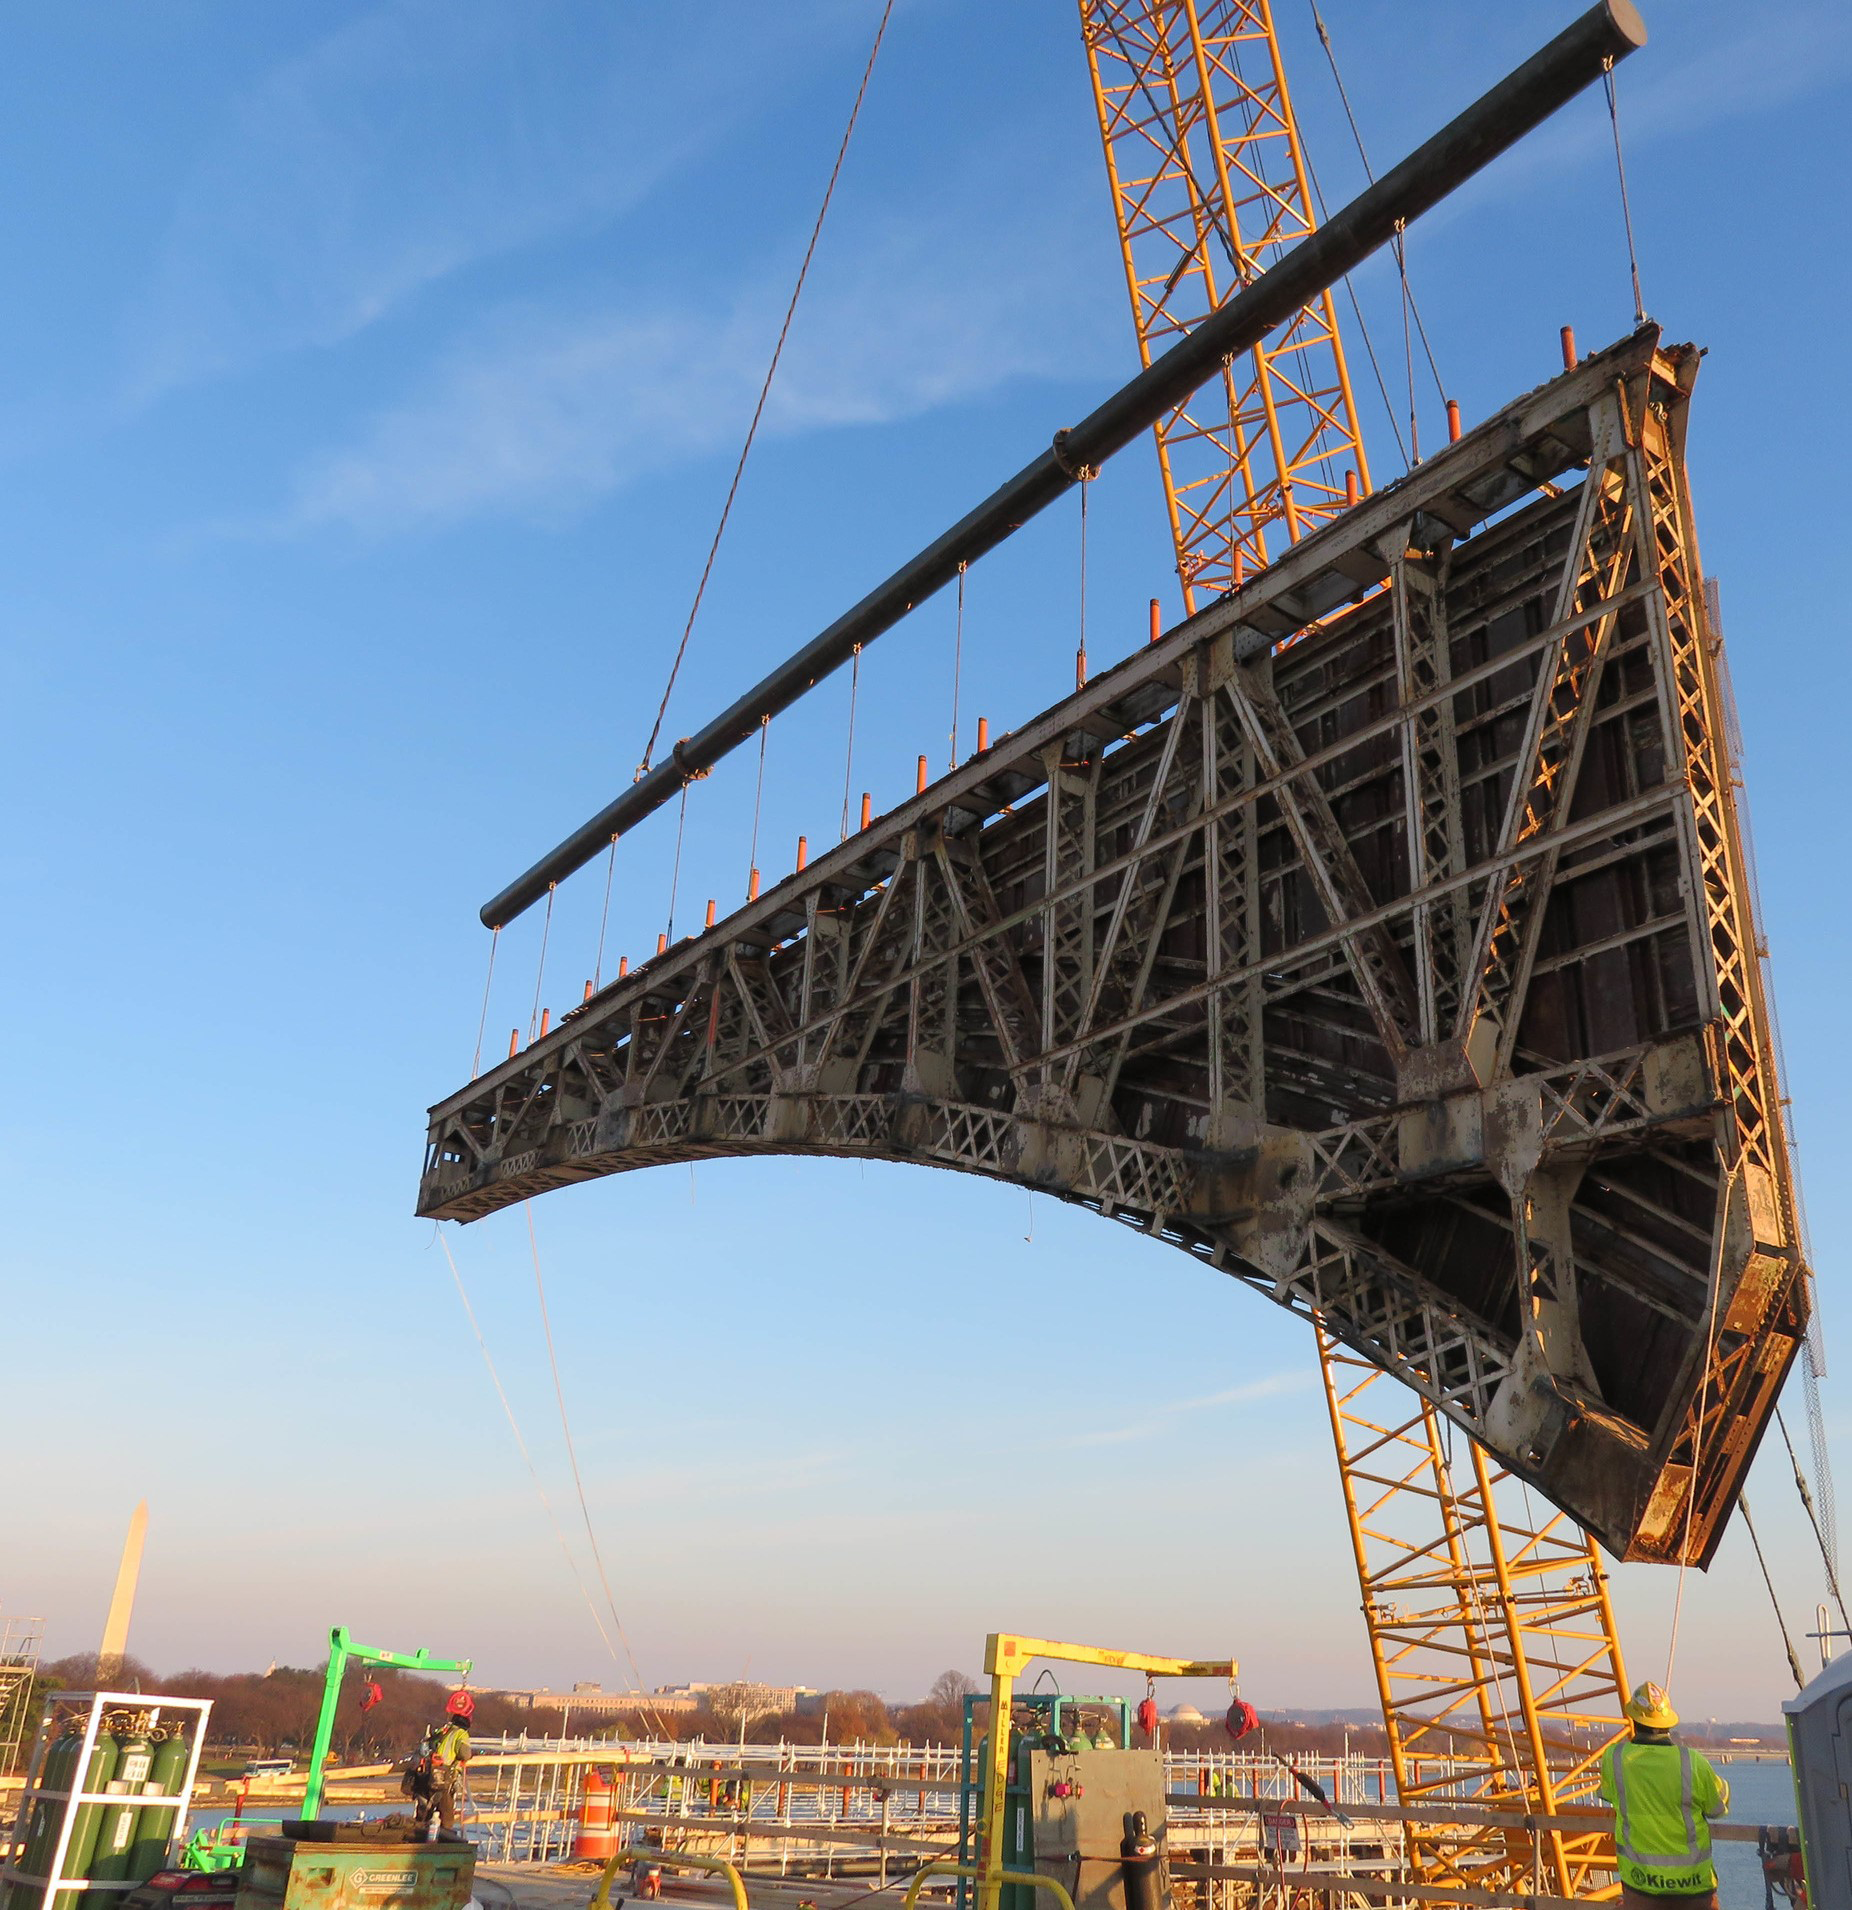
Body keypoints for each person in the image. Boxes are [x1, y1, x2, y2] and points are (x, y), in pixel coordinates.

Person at [1599, 1683, 1730, 1910]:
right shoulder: (1692, 1761)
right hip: (1694, 1888)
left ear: (1633, 1719)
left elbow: (1607, 1794)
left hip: (1641, 1888)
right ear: (1668, 1722)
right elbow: (1718, 1806)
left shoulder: (1614, 1758)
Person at [410, 1692, 474, 1842]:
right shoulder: (461, 1734)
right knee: (446, 1815)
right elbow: (465, 1754)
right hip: (443, 1778)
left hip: (425, 1776)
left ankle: (416, 1840)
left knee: (424, 1812)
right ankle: (445, 1844)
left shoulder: (442, 1731)